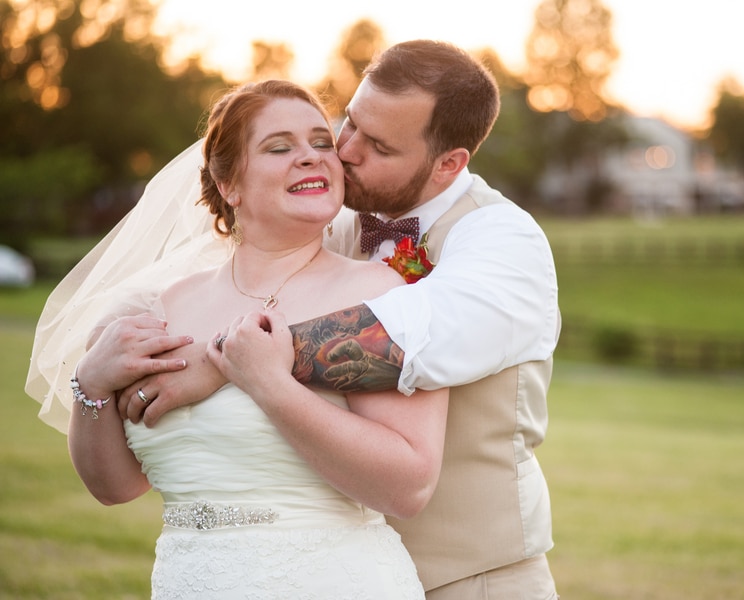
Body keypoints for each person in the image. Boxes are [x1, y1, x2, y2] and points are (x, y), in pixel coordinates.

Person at [27, 40, 560, 599]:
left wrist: (226, 363)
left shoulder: (502, 238)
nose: (344, 152)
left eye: (375, 144)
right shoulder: (324, 220)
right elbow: (179, 284)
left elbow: (418, 334)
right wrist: (102, 358)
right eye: (347, 125)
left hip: (473, 574)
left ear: (448, 164)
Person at [62, 79, 448, 598]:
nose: (311, 157)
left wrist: (270, 383)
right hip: (190, 581)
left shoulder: (378, 293)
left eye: (320, 142)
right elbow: (115, 487)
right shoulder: (167, 306)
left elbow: (408, 487)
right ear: (229, 185)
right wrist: (89, 385)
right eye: (279, 147)